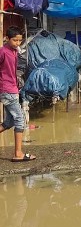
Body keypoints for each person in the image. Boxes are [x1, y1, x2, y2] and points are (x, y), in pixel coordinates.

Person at [0, 26, 36, 161]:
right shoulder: (3, 52)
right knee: (20, 120)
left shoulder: (15, 51)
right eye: (14, 40)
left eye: (20, 40)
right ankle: (18, 154)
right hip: (6, 90)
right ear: (7, 39)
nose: (18, 43)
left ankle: (18, 153)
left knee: (8, 122)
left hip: (12, 89)